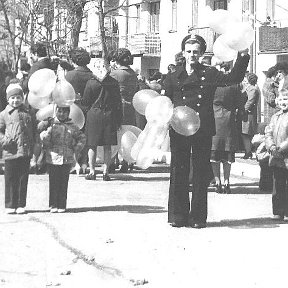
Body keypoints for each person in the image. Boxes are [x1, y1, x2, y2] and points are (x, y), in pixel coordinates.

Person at [163, 34, 250, 228]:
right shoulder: (172, 75)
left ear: (202, 53)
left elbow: (233, 78)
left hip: (202, 127)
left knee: (201, 172)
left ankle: (198, 218)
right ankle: (178, 216)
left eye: (196, 52)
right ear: (183, 53)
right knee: (179, 171)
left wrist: (242, 55)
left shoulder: (209, 74)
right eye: (189, 51)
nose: (192, 55)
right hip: (178, 129)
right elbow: (166, 102)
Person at [38, 105, 86, 213]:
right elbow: (43, 136)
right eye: (59, 111)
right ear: (56, 112)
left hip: (67, 158)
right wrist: (45, 135)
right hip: (53, 158)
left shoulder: (72, 126)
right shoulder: (51, 124)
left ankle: (62, 204)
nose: (61, 114)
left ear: (68, 113)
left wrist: (76, 148)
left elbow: (82, 138)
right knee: (53, 182)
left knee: (63, 182)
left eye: (64, 112)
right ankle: (53, 204)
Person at [0, 84, 38, 214]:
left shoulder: (29, 112)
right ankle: (10, 204)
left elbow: (34, 130)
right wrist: (5, 141)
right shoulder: (4, 114)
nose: (15, 100)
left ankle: (21, 204)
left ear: (22, 98)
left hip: (25, 151)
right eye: (12, 98)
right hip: (10, 151)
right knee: (10, 179)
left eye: (18, 97)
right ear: (8, 99)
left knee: (23, 179)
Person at [82, 58, 122, 181]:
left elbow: (86, 101)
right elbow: (118, 102)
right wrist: (119, 119)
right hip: (109, 114)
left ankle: (92, 171)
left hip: (94, 114)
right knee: (107, 146)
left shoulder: (91, 83)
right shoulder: (114, 83)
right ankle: (106, 172)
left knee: (92, 145)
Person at [210, 62, 242, 194]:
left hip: (215, 120)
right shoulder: (234, 86)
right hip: (229, 120)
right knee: (227, 154)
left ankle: (217, 181)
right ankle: (227, 181)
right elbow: (240, 103)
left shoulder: (213, 85)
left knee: (214, 153)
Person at [65, 48, 93, 174]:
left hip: (73, 108)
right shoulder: (92, 75)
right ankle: (85, 162)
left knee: (73, 137)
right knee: (86, 137)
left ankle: (75, 163)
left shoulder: (70, 75)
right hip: (89, 108)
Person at [110, 48, 138, 173]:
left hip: (117, 106)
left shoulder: (115, 74)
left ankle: (113, 160)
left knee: (115, 134)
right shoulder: (133, 74)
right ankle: (127, 161)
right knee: (128, 133)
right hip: (131, 106)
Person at [265, 89, 288, 221]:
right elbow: (268, 132)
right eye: (281, 100)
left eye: (286, 99)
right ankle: (278, 210)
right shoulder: (275, 116)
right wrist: (271, 146)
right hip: (276, 155)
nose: (283, 102)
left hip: (285, 154)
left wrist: (281, 148)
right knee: (278, 183)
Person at [241, 73, 260, 159]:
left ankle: (249, 152)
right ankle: (248, 151)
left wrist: (242, 110)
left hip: (248, 115)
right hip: (247, 114)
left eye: (246, 80)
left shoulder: (252, 89)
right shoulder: (249, 88)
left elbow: (250, 101)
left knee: (247, 134)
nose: (244, 81)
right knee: (245, 133)